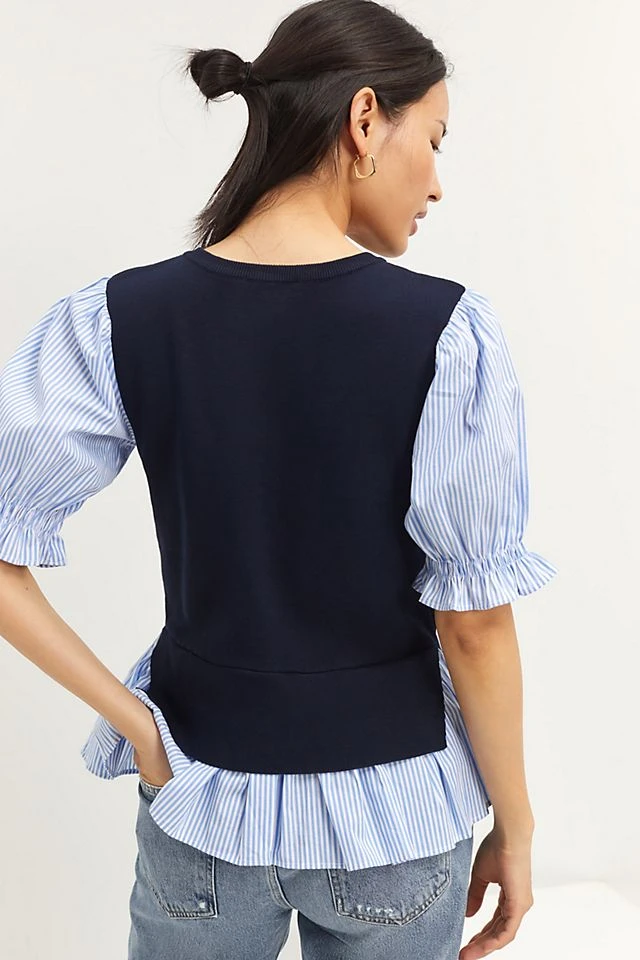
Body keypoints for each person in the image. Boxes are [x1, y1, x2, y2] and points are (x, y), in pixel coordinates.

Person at [0, 1, 558, 958]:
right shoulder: (446, 333)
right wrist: (516, 824)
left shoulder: (120, 319)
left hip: (199, 803)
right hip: (396, 819)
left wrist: (139, 728)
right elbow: (473, 625)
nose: (437, 182)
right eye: (434, 140)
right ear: (365, 119)